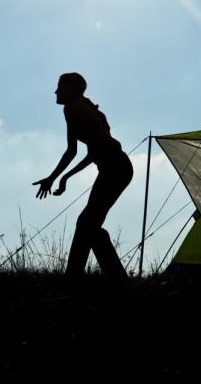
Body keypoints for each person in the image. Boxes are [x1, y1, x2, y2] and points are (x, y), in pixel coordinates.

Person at [33, 72, 131, 281]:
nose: (56, 91)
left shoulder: (73, 108)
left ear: (70, 89)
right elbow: (78, 151)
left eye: (60, 86)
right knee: (89, 225)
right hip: (115, 168)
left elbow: (82, 151)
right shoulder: (77, 108)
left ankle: (76, 280)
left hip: (115, 168)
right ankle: (111, 280)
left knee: (87, 224)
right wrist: (61, 177)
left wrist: (57, 178)